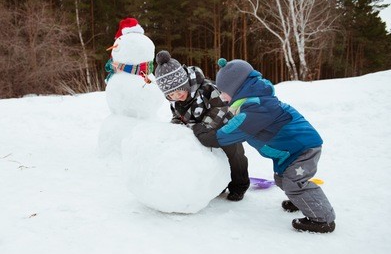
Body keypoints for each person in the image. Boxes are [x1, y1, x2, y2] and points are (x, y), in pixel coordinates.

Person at [193, 58, 336, 233]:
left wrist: (203, 133)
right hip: (290, 151)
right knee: (282, 179)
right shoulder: (252, 103)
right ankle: (303, 200)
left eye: (224, 91)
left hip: (302, 148)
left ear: (236, 88)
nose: (222, 96)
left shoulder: (256, 107)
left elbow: (227, 134)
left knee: (293, 182)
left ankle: (323, 220)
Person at [112, 50, 250, 201]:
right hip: (203, 133)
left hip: (225, 128)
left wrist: (205, 125)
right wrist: (176, 129)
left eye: (179, 92)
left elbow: (220, 107)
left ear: (184, 83)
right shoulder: (177, 103)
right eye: (171, 95)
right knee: (213, 157)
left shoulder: (206, 88)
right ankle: (219, 183)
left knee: (234, 155)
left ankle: (239, 185)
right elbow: (178, 117)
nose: (177, 97)